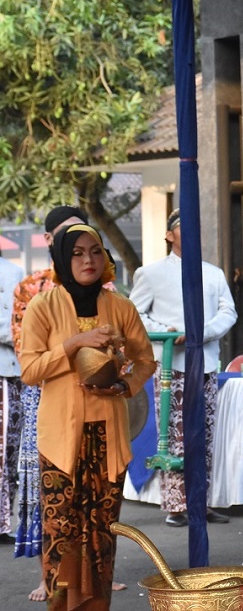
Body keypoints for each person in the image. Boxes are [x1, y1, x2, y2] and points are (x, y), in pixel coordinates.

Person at [21, 224, 156, 611]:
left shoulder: (121, 307)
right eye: (78, 253)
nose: (88, 260)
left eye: (96, 252)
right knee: (62, 531)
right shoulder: (42, 307)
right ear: (63, 259)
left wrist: (124, 386)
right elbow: (30, 370)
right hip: (60, 439)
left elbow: (145, 360)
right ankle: (62, 605)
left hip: (108, 437)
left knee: (101, 534)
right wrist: (75, 343)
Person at [11, 206, 102, 603]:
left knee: (93, 500)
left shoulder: (106, 290)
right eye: (70, 242)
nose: (84, 256)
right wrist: (72, 348)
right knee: (52, 499)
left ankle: (89, 581)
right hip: (44, 396)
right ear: (52, 242)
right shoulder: (31, 288)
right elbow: (24, 353)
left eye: (90, 247)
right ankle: (51, 580)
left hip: (97, 402)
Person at [128, 208, 238, 527]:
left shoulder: (213, 273)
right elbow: (134, 315)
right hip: (170, 366)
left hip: (204, 363)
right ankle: (176, 505)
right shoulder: (150, 274)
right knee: (175, 435)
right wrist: (168, 332)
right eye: (183, 229)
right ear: (169, 235)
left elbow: (228, 312)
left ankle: (201, 503)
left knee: (203, 434)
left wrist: (199, 332)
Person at [0, 249, 24, 544]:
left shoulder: (17, 273)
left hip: (10, 371)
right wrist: (18, 333)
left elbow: (24, 318)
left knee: (8, 449)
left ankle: (3, 520)